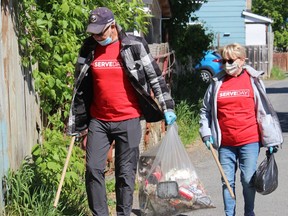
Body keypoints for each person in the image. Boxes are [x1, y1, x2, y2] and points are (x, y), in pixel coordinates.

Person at [67, 7, 176, 216]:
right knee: (93, 169)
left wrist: (167, 107)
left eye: (100, 32)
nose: (96, 36)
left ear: (112, 26)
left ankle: (123, 213)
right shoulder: (88, 48)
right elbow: (79, 87)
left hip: (128, 118)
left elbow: (155, 77)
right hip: (98, 120)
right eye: (93, 32)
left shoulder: (133, 45)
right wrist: (80, 125)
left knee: (125, 174)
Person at [199, 43, 283, 216]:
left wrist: (271, 140)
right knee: (227, 182)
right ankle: (230, 214)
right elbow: (205, 110)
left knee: (247, 180)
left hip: (249, 140)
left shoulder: (253, 80)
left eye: (231, 60)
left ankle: (249, 212)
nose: (227, 64)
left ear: (242, 60)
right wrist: (206, 133)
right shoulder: (216, 82)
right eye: (224, 60)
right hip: (225, 143)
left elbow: (264, 112)